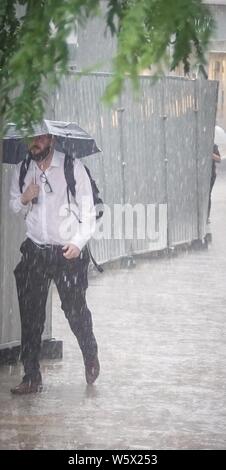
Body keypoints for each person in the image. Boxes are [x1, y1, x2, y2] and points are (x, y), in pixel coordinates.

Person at [9, 133, 100, 394]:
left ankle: (90, 351)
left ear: (50, 140)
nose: (33, 144)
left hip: (67, 252)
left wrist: (77, 243)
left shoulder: (73, 168)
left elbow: (89, 214)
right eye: (29, 139)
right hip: (35, 250)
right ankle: (31, 376)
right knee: (31, 315)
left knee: (74, 311)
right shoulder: (23, 168)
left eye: (38, 139)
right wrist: (25, 197)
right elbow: (14, 205)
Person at [207, 143, 221, 223]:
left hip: (211, 174)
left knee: (208, 194)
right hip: (200, 174)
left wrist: (211, 154)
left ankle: (207, 215)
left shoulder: (213, 146)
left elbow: (219, 159)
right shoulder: (197, 144)